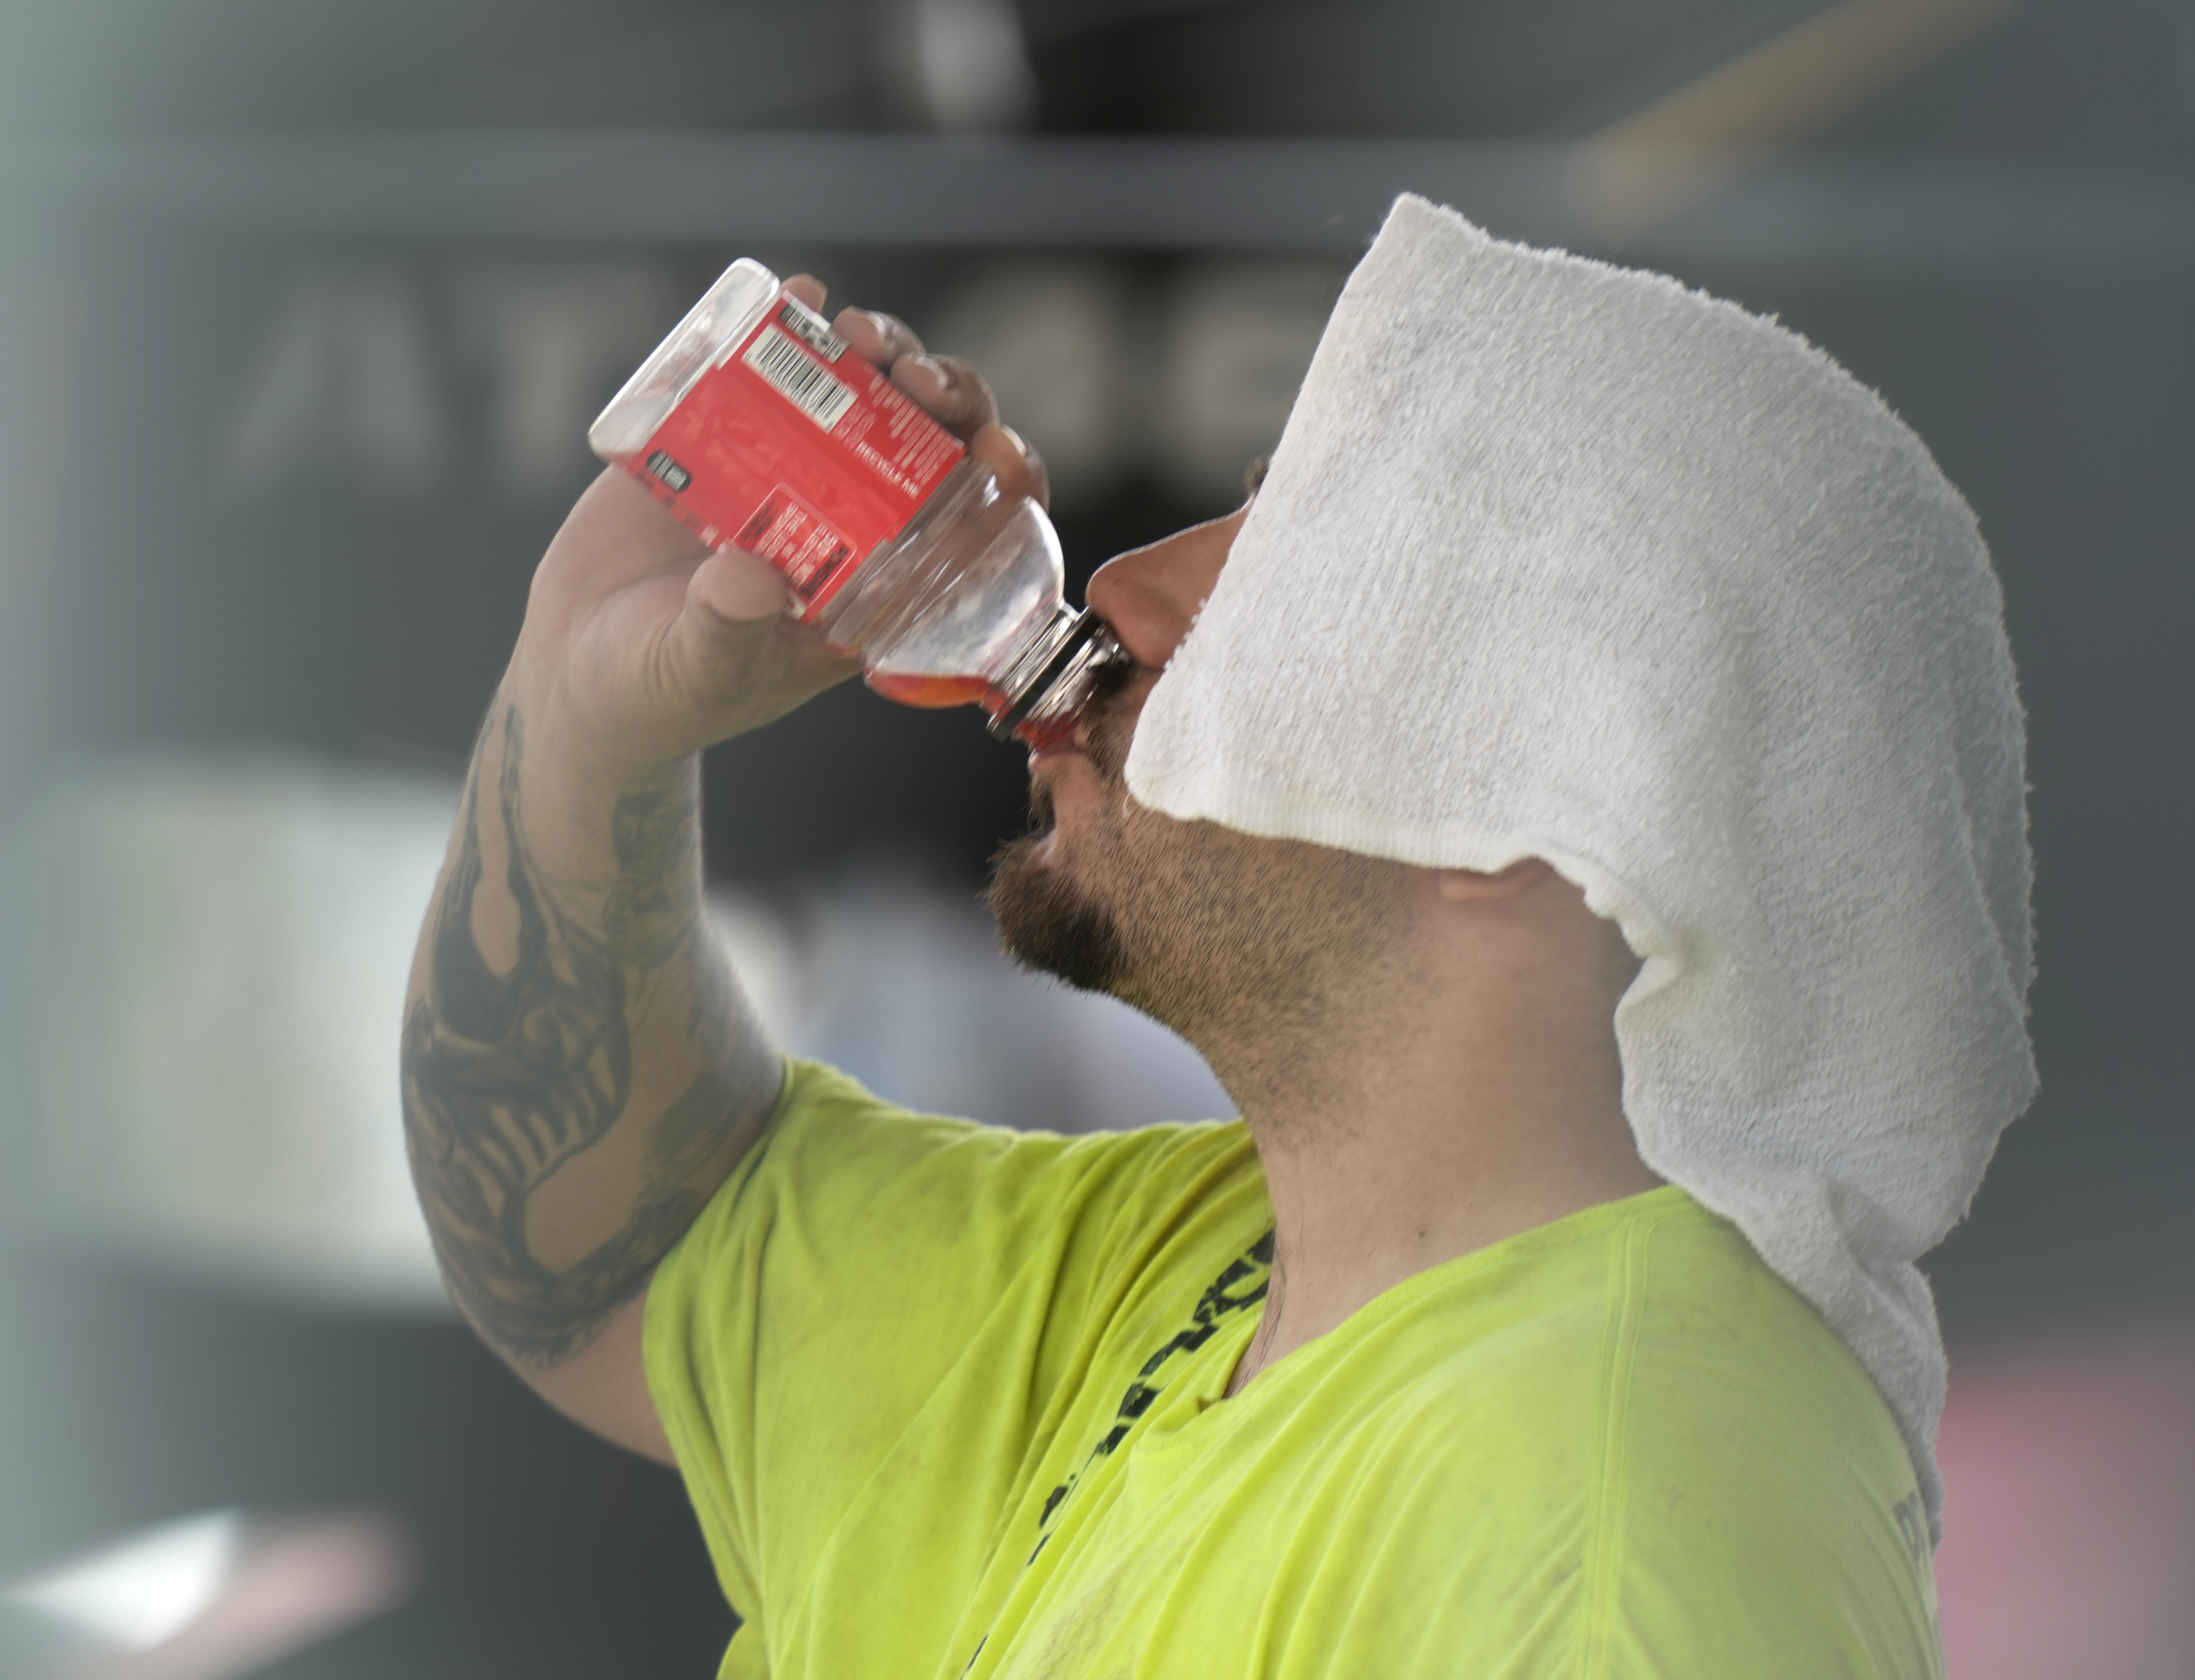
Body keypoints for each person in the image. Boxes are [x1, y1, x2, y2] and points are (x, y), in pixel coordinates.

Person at [402, 196, 2032, 1678]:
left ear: (1526, 808)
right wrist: (588, 699)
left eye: (1295, 568)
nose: (1122, 588)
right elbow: (610, 1249)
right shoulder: (1205, 1264)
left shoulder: (1618, 1538)